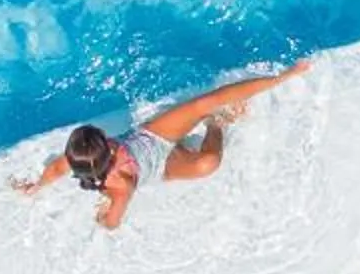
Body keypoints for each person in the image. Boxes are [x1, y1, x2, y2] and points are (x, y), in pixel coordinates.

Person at [16, 60, 313, 230]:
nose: (110, 139)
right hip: (160, 165)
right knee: (208, 163)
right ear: (105, 150)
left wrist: (35, 186)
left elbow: (55, 169)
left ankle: (276, 80)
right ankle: (217, 124)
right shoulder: (121, 187)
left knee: (206, 102)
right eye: (107, 142)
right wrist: (104, 214)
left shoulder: (78, 156)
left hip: (151, 137)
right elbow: (111, 224)